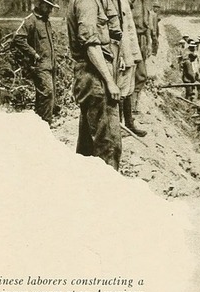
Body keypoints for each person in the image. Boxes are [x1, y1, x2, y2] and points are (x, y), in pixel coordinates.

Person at [67, 0, 123, 170]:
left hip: (94, 76)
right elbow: (90, 44)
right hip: (95, 77)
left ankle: (87, 191)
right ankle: (108, 191)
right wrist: (110, 82)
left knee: (87, 147)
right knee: (108, 145)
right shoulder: (87, 2)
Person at [13, 0, 59, 125]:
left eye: (52, 7)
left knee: (47, 95)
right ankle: (46, 124)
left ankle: (41, 124)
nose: (50, 10)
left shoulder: (46, 21)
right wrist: (33, 54)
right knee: (47, 93)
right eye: (48, 7)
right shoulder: (30, 20)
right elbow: (18, 38)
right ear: (40, 4)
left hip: (50, 64)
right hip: (39, 65)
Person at [117, 0, 146, 137]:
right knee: (122, 91)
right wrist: (120, 56)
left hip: (130, 52)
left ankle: (129, 124)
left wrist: (135, 54)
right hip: (122, 53)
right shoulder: (115, 3)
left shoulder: (125, 3)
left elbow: (130, 30)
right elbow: (115, 31)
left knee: (129, 89)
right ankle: (120, 126)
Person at [130, 0, 150, 112]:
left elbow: (146, 25)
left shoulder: (144, 3)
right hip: (132, 39)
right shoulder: (131, 3)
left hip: (142, 40)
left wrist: (149, 43)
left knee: (141, 75)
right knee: (133, 73)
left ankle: (134, 105)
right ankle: (130, 107)